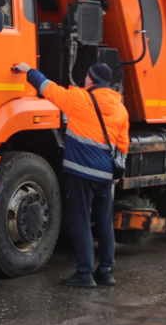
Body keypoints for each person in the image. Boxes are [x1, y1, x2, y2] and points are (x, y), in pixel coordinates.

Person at [13, 62, 130, 288]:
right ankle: (106, 270)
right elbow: (123, 144)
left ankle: (85, 273)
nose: (84, 80)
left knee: (80, 221)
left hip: (82, 173)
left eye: (86, 77)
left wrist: (28, 71)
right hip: (106, 175)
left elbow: (48, 88)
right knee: (105, 222)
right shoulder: (120, 108)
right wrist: (118, 172)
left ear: (91, 80)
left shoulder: (79, 98)